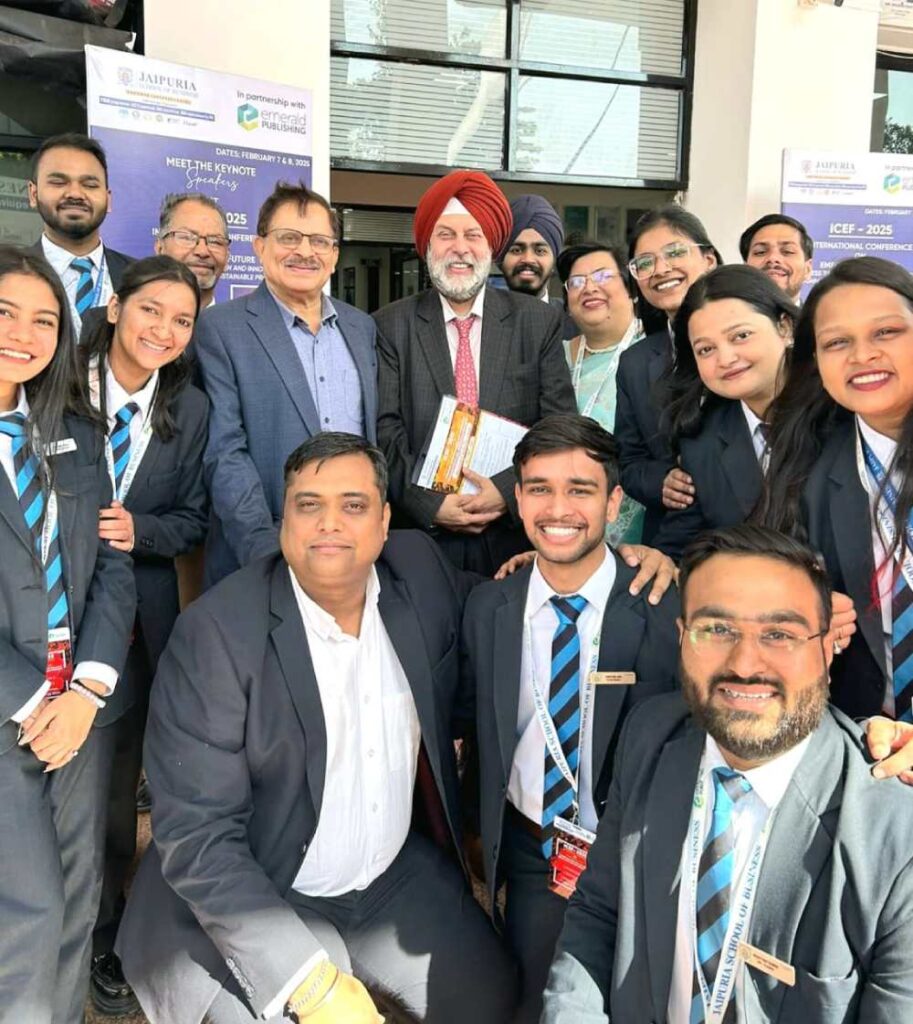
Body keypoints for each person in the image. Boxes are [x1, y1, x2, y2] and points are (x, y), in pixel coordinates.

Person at [116, 433, 518, 1024]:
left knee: (492, 1001)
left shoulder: (421, 572)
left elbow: (502, 608)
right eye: (308, 504)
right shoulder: (216, 634)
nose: (329, 522)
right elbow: (199, 835)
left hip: (387, 877)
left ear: (384, 523)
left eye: (353, 505)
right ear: (284, 520)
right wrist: (308, 983)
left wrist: (586, 565)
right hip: (260, 889)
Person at [541, 525, 913, 1024]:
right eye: (716, 629)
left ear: (827, 650)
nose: (744, 663)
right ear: (681, 639)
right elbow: (599, 912)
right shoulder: (650, 734)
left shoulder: (895, 832)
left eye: (779, 634)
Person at [462, 414, 679, 1023]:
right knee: (542, 1006)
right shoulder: (488, 606)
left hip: (643, 857)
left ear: (614, 503)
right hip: (539, 857)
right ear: (519, 500)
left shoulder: (664, 607)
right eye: (539, 489)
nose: (559, 508)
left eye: (580, 490)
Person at [0, 245, 135, 1023]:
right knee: (28, 913)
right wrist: (33, 703)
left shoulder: (76, 429)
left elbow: (114, 567)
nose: (24, 333)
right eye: (6, 313)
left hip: (82, 711)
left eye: (44, 319)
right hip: (11, 714)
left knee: (77, 907)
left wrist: (87, 688)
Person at [80, 256, 210, 1015]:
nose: (162, 329)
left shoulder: (187, 410)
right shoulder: (57, 381)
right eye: (149, 310)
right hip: (46, 617)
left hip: (137, 628)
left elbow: (191, 519)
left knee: (110, 794)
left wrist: (140, 529)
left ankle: (105, 933)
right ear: (114, 307)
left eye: (182, 319)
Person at [375, 169, 576, 577]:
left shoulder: (537, 323)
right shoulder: (389, 325)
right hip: (420, 544)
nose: (460, 249)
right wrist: (430, 503)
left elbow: (557, 428)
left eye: (474, 235)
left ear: (492, 246)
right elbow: (385, 431)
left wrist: (505, 492)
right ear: (427, 245)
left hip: (514, 541)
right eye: (446, 235)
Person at [196, 180, 377, 586]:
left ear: (334, 255)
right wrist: (266, 550)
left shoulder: (361, 327)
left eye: (318, 241)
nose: (304, 251)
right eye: (289, 238)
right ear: (260, 247)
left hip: (354, 552)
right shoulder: (220, 329)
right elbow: (224, 452)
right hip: (265, 553)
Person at [760, 256, 913, 722]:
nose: (862, 355)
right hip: (871, 740)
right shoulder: (804, 467)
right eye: (837, 342)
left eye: (886, 332)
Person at [651, 265, 798, 559]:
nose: (726, 359)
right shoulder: (701, 441)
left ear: (785, 328)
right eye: (706, 350)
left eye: (740, 336)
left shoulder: (845, 414)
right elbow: (680, 548)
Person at [615, 205, 720, 541]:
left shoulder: (748, 346)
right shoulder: (635, 362)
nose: (660, 269)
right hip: (670, 543)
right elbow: (628, 461)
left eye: (674, 252)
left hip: (753, 537)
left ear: (709, 260)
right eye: (644, 263)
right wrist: (659, 480)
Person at [557, 242, 646, 546]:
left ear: (631, 288)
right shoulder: (554, 358)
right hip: (559, 519)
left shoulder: (657, 354)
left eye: (603, 276)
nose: (589, 288)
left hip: (641, 535)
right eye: (577, 282)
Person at [27, 133, 133, 336]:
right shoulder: (6, 274)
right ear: (33, 194)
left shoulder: (141, 278)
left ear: (108, 199)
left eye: (90, 185)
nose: (75, 194)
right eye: (58, 182)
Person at [500, 194, 575, 337]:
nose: (528, 259)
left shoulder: (576, 322)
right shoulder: (480, 323)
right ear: (501, 259)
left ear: (554, 261)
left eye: (539, 251)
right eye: (516, 250)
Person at [155, 192, 231, 311]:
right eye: (187, 237)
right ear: (160, 249)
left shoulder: (238, 327)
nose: (202, 252)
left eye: (215, 241)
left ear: (227, 258)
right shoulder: (131, 322)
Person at [739, 213, 813, 303]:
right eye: (760, 252)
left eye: (787, 251)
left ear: (807, 269)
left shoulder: (820, 317)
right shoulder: (722, 316)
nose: (773, 258)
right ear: (745, 268)